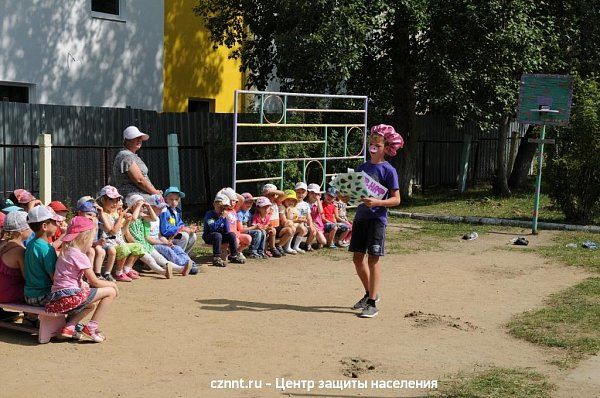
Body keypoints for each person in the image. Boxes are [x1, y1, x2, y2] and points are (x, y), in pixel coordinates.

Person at [348, 124, 402, 318]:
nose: (372, 148)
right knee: (357, 259)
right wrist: (344, 195)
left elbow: (396, 199)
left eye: (377, 146)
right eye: (371, 144)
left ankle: (372, 303)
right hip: (361, 217)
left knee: (373, 259)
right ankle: (370, 293)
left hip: (377, 219)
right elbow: (353, 194)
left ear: (386, 148)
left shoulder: (389, 170)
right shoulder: (362, 167)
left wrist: (378, 202)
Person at [45, 216, 118, 342]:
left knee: (90, 305)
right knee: (111, 292)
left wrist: (82, 283)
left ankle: (69, 327)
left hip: (57, 298)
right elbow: (95, 281)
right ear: (85, 238)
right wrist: (112, 285)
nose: (92, 243)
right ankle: (91, 327)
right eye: (91, 239)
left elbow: (69, 276)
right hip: (70, 296)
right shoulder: (79, 255)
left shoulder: (66, 251)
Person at [125, 195, 175, 279]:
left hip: (145, 244)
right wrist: (139, 205)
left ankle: (181, 269)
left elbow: (154, 218)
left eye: (142, 206)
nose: (141, 207)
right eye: (138, 205)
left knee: (160, 258)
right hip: (137, 244)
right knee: (150, 260)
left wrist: (148, 206)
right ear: (132, 205)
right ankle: (164, 272)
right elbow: (133, 218)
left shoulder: (141, 216)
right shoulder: (128, 215)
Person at [23, 206, 64, 306]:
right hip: (43, 296)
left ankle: (31, 319)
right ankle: (69, 322)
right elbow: (54, 278)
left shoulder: (31, 244)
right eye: (54, 222)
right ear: (44, 226)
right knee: (78, 297)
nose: (57, 225)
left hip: (29, 295)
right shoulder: (46, 248)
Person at [110, 126, 162, 203]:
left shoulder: (131, 155)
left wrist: (155, 192)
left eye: (140, 138)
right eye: (135, 138)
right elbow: (139, 180)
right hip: (133, 196)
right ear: (126, 141)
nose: (139, 140)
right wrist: (155, 192)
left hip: (142, 195)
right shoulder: (126, 155)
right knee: (161, 204)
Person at [145, 194, 194, 276]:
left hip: (160, 242)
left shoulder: (157, 219)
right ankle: (182, 265)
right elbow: (147, 238)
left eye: (162, 207)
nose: (161, 210)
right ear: (150, 207)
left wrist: (166, 242)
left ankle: (190, 263)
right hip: (151, 245)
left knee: (176, 248)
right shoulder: (146, 220)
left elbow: (160, 235)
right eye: (159, 208)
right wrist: (162, 243)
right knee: (167, 250)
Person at [202, 194, 245, 267]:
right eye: (220, 207)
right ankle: (216, 258)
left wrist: (226, 220)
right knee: (217, 235)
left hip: (220, 237)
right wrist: (222, 218)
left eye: (224, 208)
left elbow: (227, 230)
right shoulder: (209, 214)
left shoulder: (224, 215)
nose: (222, 209)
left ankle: (233, 256)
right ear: (214, 205)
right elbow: (213, 228)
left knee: (231, 234)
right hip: (209, 236)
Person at [0, 211, 31, 304]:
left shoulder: (2, 245)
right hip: (10, 295)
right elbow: (27, 277)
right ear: (21, 231)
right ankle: (31, 317)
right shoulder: (19, 251)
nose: (31, 230)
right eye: (29, 227)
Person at [159, 186, 197, 254]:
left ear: (179, 200)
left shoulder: (175, 211)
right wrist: (181, 229)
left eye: (176, 199)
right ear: (166, 199)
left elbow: (181, 224)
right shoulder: (164, 211)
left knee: (193, 236)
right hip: (166, 238)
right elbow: (165, 231)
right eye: (171, 199)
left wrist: (189, 228)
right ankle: (177, 258)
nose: (174, 202)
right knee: (184, 236)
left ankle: (184, 255)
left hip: (174, 236)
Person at [237, 193, 266, 259]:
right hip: (239, 232)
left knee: (262, 231)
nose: (249, 204)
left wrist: (258, 227)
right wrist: (254, 227)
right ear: (241, 203)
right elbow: (240, 229)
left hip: (246, 230)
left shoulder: (248, 213)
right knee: (257, 232)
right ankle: (252, 252)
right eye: (247, 202)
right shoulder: (239, 213)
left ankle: (260, 251)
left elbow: (249, 226)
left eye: (251, 202)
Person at [281, 189, 307, 254]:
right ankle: (287, 247)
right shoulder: (282, 208)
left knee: (302, 228)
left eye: (293, 200)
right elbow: (284, 222)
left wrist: (301, 219)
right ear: (284, 200)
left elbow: (295, 217)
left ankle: (296, 246)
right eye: (288, 199)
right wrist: (296, 221)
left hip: (290, 226)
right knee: (292, 226)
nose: (291, 202)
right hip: (282, 228)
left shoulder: (293, 208)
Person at [294, 182, 317, 252]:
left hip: (303, 224)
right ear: (295, 192)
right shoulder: (293, 202)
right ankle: (295, 245)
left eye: (302, 192)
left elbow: (308, 216)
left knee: (313, 230)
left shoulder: (306, 204)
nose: (300, 194)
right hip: (296, 223)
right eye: (298, 192)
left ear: (306, 193)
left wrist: (311, 225)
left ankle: (307, 245)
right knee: (302, 229)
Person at [306, 184, 327, 249]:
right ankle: (308, 244)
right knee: (322, 241)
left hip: (318, 224)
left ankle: (318, 241)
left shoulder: (318, 203)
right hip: (309, 223)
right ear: (308, 193)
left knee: (323, 242)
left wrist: (318, 200)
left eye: (316, 193)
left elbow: (321, 212)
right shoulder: (305, 203)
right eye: (312, 193)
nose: (314, 195)